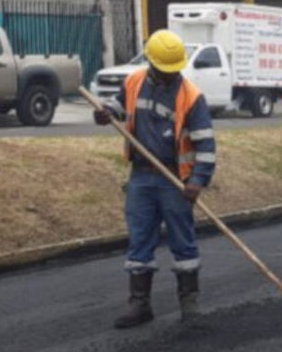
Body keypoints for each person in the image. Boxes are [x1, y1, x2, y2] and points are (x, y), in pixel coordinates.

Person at [93, 30, 216, 329]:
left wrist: (198, 180)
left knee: (183, 241)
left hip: (174, 180)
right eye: (164, 69)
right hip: (141, 177)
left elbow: (206, 146)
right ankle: (139, 304)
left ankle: (189, 304)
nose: (169, 75)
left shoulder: (191, 97)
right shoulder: (134, 81)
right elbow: (118, 106)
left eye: (174, 70)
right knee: (140, 238)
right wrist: (106, 113)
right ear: (152, 62)